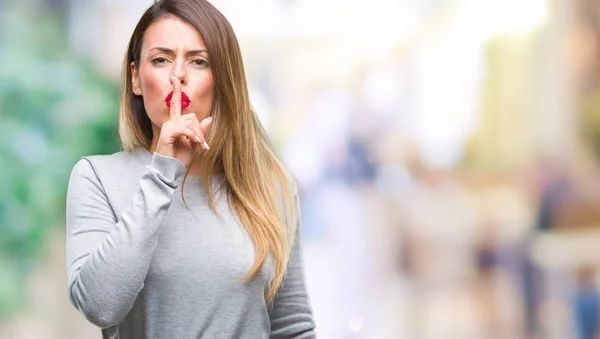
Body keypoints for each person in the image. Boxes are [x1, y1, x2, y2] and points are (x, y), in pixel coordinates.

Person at [65, 0, 316, 338]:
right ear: (137, 78)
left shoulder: (270, 184)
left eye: (198, 61)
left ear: (222, 81)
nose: (178, 74)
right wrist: (163, 173)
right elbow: (100, 306)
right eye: (161, 59)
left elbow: (292, 326)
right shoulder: (97, 178)